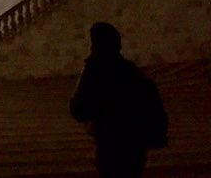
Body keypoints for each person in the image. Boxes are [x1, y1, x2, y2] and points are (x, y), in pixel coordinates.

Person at [70, 22, 168, 178]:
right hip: (134, 146)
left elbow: (77, 108)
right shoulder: (131, 70)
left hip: (109, 144)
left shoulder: (95, 70)